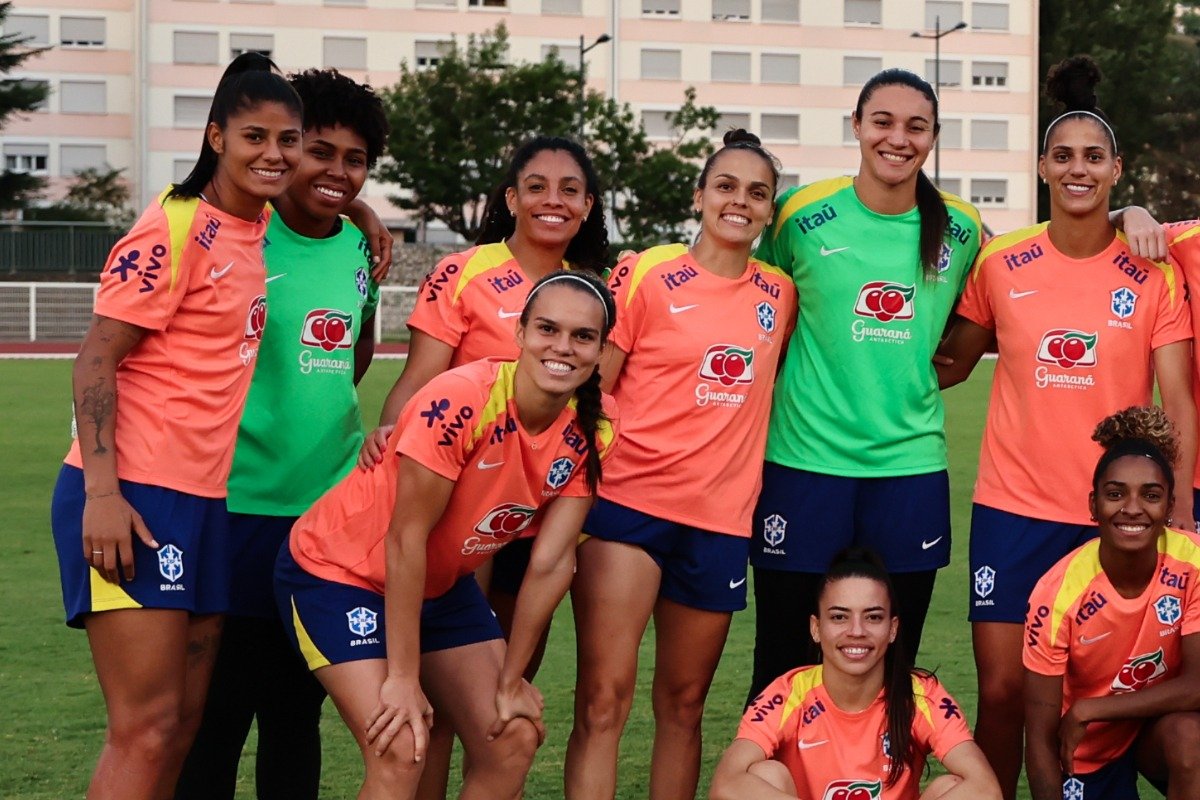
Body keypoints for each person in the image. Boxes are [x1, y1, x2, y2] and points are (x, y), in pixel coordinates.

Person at [936, 56, 1196, 798]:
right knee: (1004, 694)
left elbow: (1178, 402)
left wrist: (1180, 515)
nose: (1078, 169)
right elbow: (948, 363)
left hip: (1116, 517)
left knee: (1104, 691)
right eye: (1064, 156)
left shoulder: (1153, 271)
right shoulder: (1000, 262)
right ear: (1043, 166)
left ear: (1117, 169)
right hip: (1012, 510)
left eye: (1093, 157)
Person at [48, 53, 301, 799]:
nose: (273, 154)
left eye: (287, 140)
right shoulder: (174, 225)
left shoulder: (254, 224)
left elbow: (320, 199)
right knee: (146, 727)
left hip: (206, 503)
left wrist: (366, 216)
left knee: (184, 725)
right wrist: (103, 495)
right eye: (254, 137)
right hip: (133, 495)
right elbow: (96, 360)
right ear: (216, 136)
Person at [274, 269, 618, 800]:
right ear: (520, 332)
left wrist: (511, 680)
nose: (562, 347)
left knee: (512, 736)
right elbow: (405, 539)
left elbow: (551, 562)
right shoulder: (463, 399)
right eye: (547, 329)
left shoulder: (596, 425)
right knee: (400, 746)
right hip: (341, 574)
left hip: (439, 586)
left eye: (583, 336)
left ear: (600, 350)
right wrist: (403, 678)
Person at [358, 134, 608, 798]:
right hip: (462, 508)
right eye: (537, 186)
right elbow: (418, 379)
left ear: (588, 206)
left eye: (570, 190)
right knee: (441, 698)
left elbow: (596, 404)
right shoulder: (464, 271)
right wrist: (391, 432)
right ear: (511, 198)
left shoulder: (594, 287)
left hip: (540, 509)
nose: (553, 200)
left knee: (501, 697)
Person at [174, 68, 388, 800]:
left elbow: (354, 352)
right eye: (318, 151)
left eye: (355, 160)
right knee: (217, 717)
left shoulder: (358, 248)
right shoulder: (236, 233)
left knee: (297, 716)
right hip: (233, 509)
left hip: (325, 522)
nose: (337, 172)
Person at [564, 129, 798, 800]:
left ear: (769, 210)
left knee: (685, 705)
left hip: (720, 523)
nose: (740, 202)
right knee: (603, 700)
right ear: (699, 196)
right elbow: (594, 389)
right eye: (726, 186)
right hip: (629, 508)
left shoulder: (780, 293)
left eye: (757, 193)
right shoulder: (647, 272)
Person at [747, 68, 984, 702]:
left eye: (916, 127)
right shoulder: (801, 214)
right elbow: (755, 306)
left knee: (893, 665)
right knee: (782, 660)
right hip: (804, 465)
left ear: (933, 136)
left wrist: (1125, 209)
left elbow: (993, 306)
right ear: (856, 126)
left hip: (909, 471)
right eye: (882, 122)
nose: (897, 138)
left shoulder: (962, 227)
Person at [710, 548, 1002, 800]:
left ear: (892, 629)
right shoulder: (788, 693)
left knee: (952, 785)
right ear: (816, 628)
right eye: (839, 617)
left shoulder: (920, 694)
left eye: (873, 617)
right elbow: (726, 784)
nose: (857, 631)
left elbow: (986, 789)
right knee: (765, 774)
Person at [1024, 406, 1200, 800]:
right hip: (1089, 751)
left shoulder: (1194, 563)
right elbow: (1038, 737)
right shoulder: (1057, 594)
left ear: (1170, 506)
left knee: (1191, 740)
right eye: (1115, 494)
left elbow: (1198, 685)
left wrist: (1091, 709)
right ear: (1093, 504)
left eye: (1151, 495)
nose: (1132, 508)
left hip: (1160, 726)